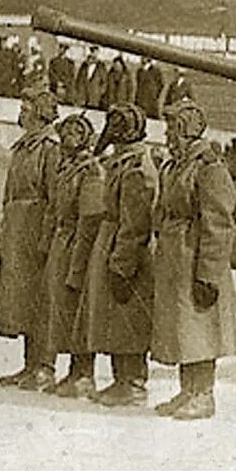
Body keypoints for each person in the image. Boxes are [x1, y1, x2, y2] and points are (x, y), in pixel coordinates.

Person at [151, 100, 236, 420]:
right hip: (177, 257)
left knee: (199, 329)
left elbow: (219, 225)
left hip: (196, 259)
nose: (166, 134)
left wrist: (209, 274)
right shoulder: (178, 164)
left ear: (185, 129)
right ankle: (187, 390)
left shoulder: (209, 168)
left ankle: (204, 395)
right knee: (182, 328)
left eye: (171, 128)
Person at [78, 104, 157, 408]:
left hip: (125, 247)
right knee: (114, 317)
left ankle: (133, 383)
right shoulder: (121, 162)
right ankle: (121, 380)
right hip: (111, 241)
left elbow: (136, 224)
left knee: (128, 318)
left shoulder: (137, 167)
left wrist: (122, 263)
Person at [0, 88, 61, 391]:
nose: (21, 112)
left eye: (26, 107)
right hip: (17, 232)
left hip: (37, 232)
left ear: (40, 113)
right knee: (20, 298)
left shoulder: (50, 148)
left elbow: (54, 198)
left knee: (42, 299)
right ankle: (29, 365)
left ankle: (45, 366)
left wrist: (46, 239)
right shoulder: (22, 147)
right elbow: (10, 195)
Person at [42, 114, 101, 399]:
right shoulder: (67, 168)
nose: (68, 139)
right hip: (62, 242)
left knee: (77, 310)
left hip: (77, 245)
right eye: (66, 134)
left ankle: (84, 373)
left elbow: (89, 221)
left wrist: (78, 263)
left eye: (75, 134)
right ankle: (72, 372)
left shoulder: (91, 171)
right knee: (63, 310)